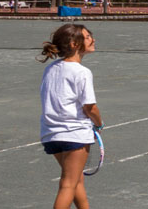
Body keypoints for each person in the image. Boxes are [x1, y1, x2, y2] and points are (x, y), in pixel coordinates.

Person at [37, 24, 102, 209]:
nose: (92, 39)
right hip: (74, 135)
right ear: (74, 44)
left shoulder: (51, 69)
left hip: (50, 135)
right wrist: (99, 124)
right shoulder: (82, 72)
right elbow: (90, 108)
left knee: (76, 181)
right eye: (88, 37)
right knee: (68, 184)